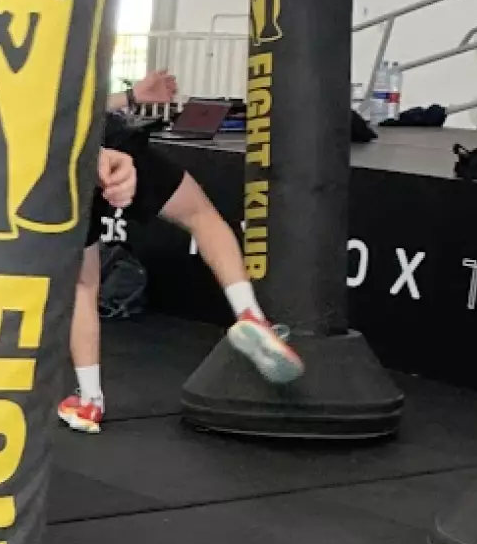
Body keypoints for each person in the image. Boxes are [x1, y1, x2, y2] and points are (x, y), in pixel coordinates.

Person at [58, 72, 304, 434]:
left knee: (83, 286)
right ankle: (249, 314)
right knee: (201, 217)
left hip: (64, 159)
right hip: (106, 141)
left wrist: (131, 96)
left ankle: (90, 401)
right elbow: (77, 104)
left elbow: (56, 111)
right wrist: (131, 97)